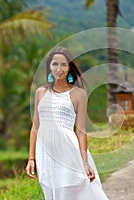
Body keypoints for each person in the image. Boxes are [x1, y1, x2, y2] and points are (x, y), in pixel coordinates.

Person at [25, 47, 108, 200]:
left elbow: (81, 131)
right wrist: (31, 158)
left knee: (70, 190)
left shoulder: (78, 94)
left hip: (68, 150)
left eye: (64, 64)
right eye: (55, 64)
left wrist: (85, 162)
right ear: (49, 66)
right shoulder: (40, 92)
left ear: (70, 67)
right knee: (51, 192)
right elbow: (35, 127)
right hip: (45, 153)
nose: (59, 69)